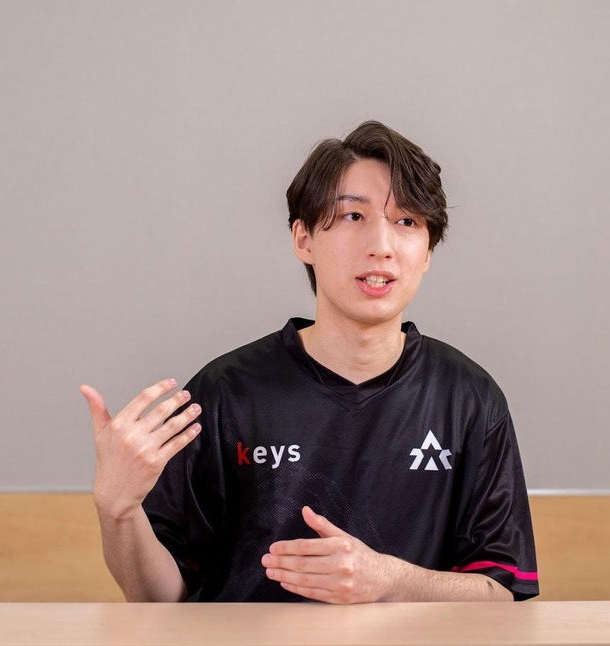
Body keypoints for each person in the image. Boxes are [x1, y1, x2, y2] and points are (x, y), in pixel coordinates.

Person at [80, 121, 539, 603]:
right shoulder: (225, 394)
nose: (382, 246)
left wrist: (391, 581)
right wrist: (117, 509)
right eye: (354, 216)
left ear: (427, 252)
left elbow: (503, 591)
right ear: (303, 239)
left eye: (407, 222)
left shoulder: (468, 399)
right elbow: (157, 600)